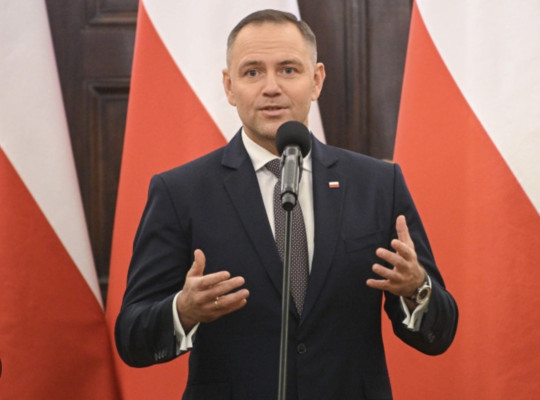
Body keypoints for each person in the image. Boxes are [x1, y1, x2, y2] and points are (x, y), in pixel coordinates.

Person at [115, 9, 458, 400]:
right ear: (229, 87)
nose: (271, 87)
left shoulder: (377, 185)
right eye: (252, 72)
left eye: (289, 70)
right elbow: (132, 337)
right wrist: (183, 310)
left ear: (317, 80)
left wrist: (417, 289)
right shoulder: (181, 192)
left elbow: (440, 333)